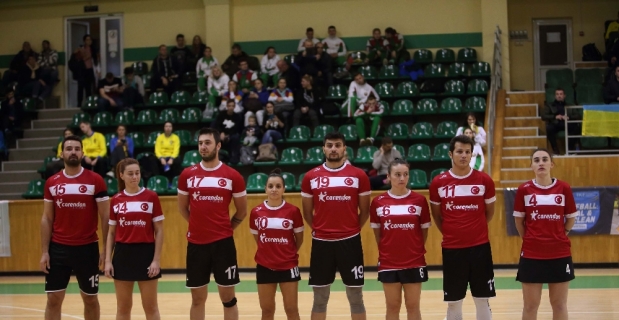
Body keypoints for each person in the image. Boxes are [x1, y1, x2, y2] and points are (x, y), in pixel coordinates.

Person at [177, 127, 247, 320]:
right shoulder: (187, 175)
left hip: (223, 245)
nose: (203, 147)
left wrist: (226, 228)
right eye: (200, 143)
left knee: (228, 298)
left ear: (218, 145)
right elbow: (182, 208)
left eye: (207, 143)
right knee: (197, 299)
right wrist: (198, 225)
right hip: (196, 245)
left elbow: (242, 211)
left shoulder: (232, 175)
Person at [300, 131, 371, 320]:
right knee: (320, 298)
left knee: (356, 297)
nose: (333, 149)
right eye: (330, 145)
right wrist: (320, 229)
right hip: (322, 243)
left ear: (344, 149)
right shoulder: (310, 177)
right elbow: (307, 213)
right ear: (323, 148)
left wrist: (352, 229)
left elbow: (364, 211)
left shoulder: (359, 175)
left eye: (337, 145)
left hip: (350, 242)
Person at [39, 135, 109, 320]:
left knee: (90, 299)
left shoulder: (95, 180)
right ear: (61, 153)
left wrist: (105, 251)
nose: (73, 152)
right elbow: (46, 218)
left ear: (83, 153)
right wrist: (45, 251)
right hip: (58, 249)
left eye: (77, 149)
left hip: (87, 249)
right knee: (53, 299)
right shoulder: (52, 183)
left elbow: (106, 216)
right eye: (69, 148)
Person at [429, 135, 496, 320]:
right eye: (459, 151)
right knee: (454, 302)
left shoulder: (484, 180)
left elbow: (489, 213)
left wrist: (475, 229)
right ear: (451, 154)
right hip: (452, 249)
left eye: (468, 152)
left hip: (480, 248)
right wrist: (453, 232)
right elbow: (437, 216)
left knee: (482, 299)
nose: (464, 155)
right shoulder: (438, 183)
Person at [513, 148, 577, 320]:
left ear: (551, 164)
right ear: (531, 166)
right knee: (530, 305)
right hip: (532, 254)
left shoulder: (563, 188)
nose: (541, 163)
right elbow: (519, 221)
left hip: (559, 253)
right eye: (536, 160)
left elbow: (571, 218)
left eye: (544, 159)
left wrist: (563, 233)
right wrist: (529, 239)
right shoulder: (524, 190)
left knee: (559, 304)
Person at [370, 158, 431, 320]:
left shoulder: (419, 201)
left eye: (405, 174)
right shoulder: (378, 202)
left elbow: (423, 232)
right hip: (389, 262)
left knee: (413, 306)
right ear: (388, 176)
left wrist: (413, 248)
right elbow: (378, 235)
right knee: (392, 306)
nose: (402, 178)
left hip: (414, 261)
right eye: (397, 174)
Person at [105, 158, 164, 319]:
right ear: (121, 175)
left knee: (151, 307)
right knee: (123, 308)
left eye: (137, 173)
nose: (134, 177)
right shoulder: (116, 200)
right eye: (130, 174)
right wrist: (108, 261)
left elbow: (159, 231)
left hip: (146, 253)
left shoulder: (151, 197)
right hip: (123, 255)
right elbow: (111, 233)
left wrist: (156, 260)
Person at [249, 169, 304, 320]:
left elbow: (299, 238)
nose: (274, 189)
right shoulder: (256, 212)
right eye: (271, 186)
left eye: (278, 186)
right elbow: (257, 237)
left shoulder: (293, 211)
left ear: (284, 189)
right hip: (265, 266)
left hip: (288, 265)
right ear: (265, 188)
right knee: (267, 310)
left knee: (291, 309)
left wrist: (287, 253)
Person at [541, 88, 581, 154]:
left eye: (561, 94)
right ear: (555, 96)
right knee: (549, 128)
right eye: (557, 94)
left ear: (564, 96)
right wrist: (555, 117)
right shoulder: (549, 105)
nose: (559, 96)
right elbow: (543, 116)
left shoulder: (570, 105)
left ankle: (570, 150)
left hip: (567, 123)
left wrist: (569, 117)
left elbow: (578, 116)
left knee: (576, 127)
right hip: (556, 123)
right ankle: (555, 150)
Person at [214, 100, 243, 164]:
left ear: (234, 107)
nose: (231, 107)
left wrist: (228, 135)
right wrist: (221, 133)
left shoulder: (237, 117)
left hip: (232, 134)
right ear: (227, 106)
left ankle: (234, 157)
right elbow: (217, 125)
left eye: (232, 106)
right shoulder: (221, 115)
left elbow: (237, 129)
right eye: (229, 106)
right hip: (221, 133)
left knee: (236, 137)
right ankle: (219, 158)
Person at [79, 35, 100, 103]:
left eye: (90, 40)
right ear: (84, 41)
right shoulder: (81, 48)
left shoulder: (94, 49)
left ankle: (90, 102)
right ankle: (80, 103)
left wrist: (98, 70)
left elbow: (97, 60)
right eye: (87, 40)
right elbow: (80, 58)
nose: (89, 41)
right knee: (81, 88)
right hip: (83, 70)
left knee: (90, 88)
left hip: (91, 70)